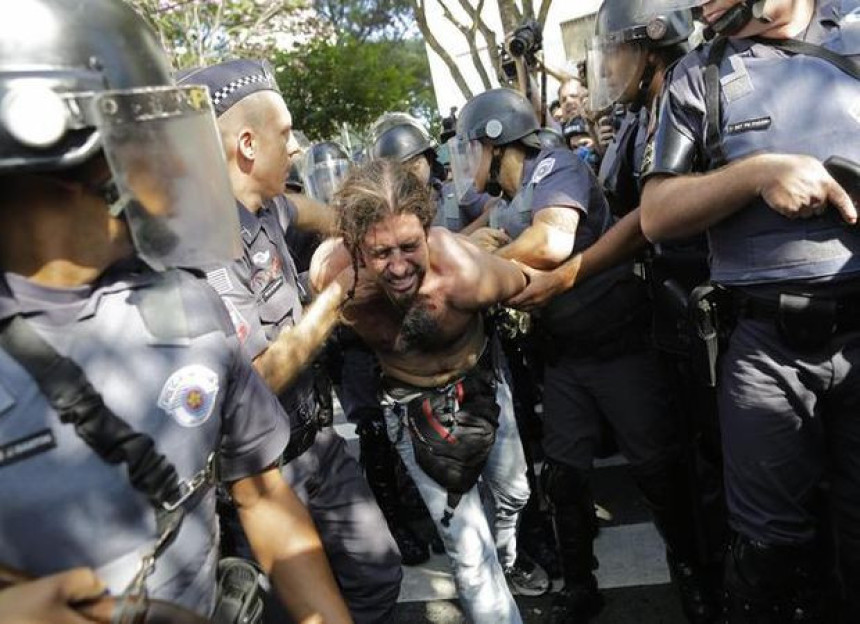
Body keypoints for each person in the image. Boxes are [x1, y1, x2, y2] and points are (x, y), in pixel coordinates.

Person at [0, 2, 351, 623]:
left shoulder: (187, 306)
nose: (177, 166)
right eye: (144, 139)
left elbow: (265, 499)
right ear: (56, 145)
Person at [451, 86, 716, 622]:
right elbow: (459, 242)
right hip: (565, 358)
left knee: (657, 471)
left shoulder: (557, 167)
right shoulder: (509, 199)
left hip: (618, 348)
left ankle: (693, 576)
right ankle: (580, 585)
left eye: (473, 146)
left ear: (498, 142)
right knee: (564, 477)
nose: (468, 160)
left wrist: (486, 263)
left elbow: (552, 241)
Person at [639, 0, 860, 621]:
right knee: (769, 560)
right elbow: (656, 212)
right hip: (766, 351)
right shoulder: (699, 74)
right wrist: (758, 173)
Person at [177, 61, 402, 624]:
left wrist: (360, 233)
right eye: (285, 134)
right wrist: (334, 298)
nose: (297, 148)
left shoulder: (268, 206)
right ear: (247, 145)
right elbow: (259, 378)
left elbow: (317, 212)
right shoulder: (204, 243)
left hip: (317, 444)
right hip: (264, 475)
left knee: (377, 574)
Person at [311, 159, 536, 623]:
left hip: (482, 386)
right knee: (471, 558)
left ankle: (507, 560)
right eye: (380, 253)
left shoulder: (463, 271)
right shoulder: (337, 283)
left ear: (428, 231)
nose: (397, 267)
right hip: (411, 410)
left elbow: (527, 285)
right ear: (356, 248)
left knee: (515, 495)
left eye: (410, 247)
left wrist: (490, 248)